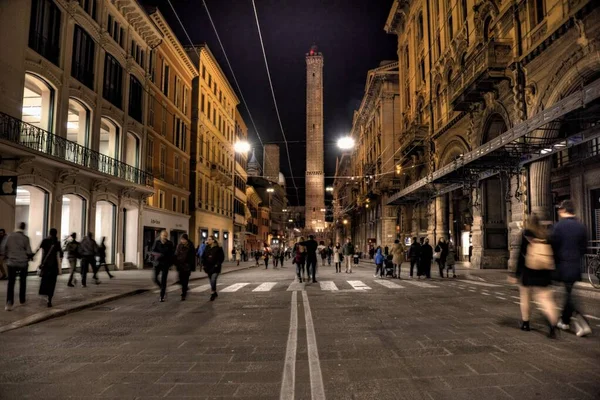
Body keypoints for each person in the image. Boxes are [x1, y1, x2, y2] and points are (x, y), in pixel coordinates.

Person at [510, 213, 558, 337]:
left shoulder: (526, 234)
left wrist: (515, 274)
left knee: (525, 298)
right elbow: (554, 255)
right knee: (546, 300)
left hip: (528, 271)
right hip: (544, 272)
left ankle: (526, 323)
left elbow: (520, 256)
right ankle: (553, 325)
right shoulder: (546, 234)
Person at [551, 200, 592, 337]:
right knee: (568, 293)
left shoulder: (558, 227)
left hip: (563, 266)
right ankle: (564, 321)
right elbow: (583, 248)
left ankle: (582, 322)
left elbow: (553, 247)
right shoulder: (581, 226)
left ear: (563, 210)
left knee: (568, 296)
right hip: (575, 265)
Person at [2, 222, 33, 311]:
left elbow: (3, 248)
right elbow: (29, 251)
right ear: (24, 228)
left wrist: (5, 256)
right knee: (23, 281)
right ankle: (22, 300)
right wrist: (30, 256)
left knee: (11, 283)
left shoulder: (9, 236)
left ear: (17, 227)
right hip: (23, 263)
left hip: (11, 262)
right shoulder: (25, 238)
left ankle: (9, 302)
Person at [37, 228, 63, 307]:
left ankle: (44, 294)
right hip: (53, 265)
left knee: (45, 280)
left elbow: (39, 249)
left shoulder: (45, 241)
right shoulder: (57, 242)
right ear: (56, 233)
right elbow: (61, 253)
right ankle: (49, 299)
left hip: (46, 265)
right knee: (52, 282)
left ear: (49, 233)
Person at [151, 230, 175, 302]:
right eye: (163, 235)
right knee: (155, 278)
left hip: (165, 264)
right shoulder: (157, 242)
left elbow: (172, 254)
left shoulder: (169, 243)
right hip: (157, 263)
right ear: (160, 235)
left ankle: (162, 296)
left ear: (167, 236)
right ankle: (162, 288)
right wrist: (157, 255)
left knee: (164, 280)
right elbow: (152, 251)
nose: (164, 237)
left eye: (165, 235)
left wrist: (170, 264)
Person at [201, 236, 225, 301]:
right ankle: (214, 291)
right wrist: (203, 264)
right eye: (207, 239)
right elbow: (203, 257)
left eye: (209, 239)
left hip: (216, 267)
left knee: (213, 279)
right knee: (211, 280)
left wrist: (217, 264)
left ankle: (212, 293)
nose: (208, 240)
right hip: (208, 267)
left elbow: (222, 257)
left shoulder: (218, 248)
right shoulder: (207, 247)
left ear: (213, 240)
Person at [175, 234, 195, 301]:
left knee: (185, 280)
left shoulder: (190, 246)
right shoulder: (179, 245)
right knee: (180, 279)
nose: (182, 241)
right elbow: (176, 254)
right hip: (180, 265)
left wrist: (191, 266)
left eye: (183, 239)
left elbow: (192, 257)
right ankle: (185, 288)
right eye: (181, 239)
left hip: (187, 266)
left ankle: (184, 294)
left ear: (186, 240)